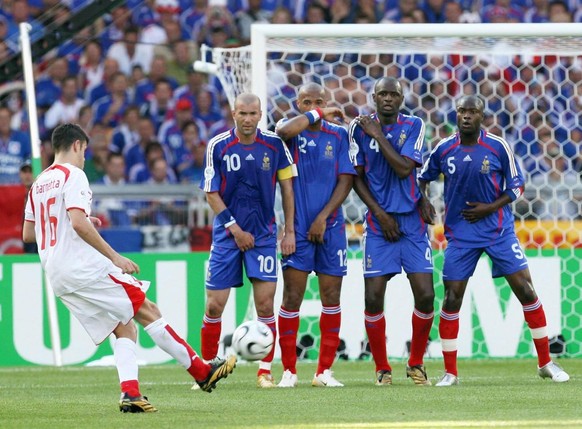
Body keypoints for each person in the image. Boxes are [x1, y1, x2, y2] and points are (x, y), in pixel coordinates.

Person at [23, 123, 236, 412]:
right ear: (76, 146)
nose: (84, 157)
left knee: (124, 327)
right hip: (82, 265)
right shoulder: (74, 175)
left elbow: (28, 234)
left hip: (57, 272)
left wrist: (78, 224)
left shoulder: (39, 182)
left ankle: (131, 394)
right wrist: (114, 257)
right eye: (84, 150)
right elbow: (76, 222)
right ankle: (202, 371)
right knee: (148, 310)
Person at [418, 95, 570, 386]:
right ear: (456, 114)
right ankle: (450, 373)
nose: (465, 116)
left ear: (481, 116)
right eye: (461, 111)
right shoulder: (444, 147)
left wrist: (489, 207)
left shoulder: (498, 146)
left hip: (498, 232)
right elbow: (423, 177)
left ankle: (546, 363)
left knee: (526, 290)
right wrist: (424, 201)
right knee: (452, 298)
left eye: (472, 112)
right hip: (460, 236)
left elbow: (518, 187)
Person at [199, 93, 295, 388]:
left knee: (265, 305)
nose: (248, 119)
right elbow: (210, 192)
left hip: (264, 235)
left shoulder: (275, 145)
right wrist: (235, 229)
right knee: (214, 306)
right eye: (243, 113)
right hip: (228, 236)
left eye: (253, 113)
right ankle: (205, 370)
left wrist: (289, 229)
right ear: (233, 113)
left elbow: (287, 187)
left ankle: (265, 371)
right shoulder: (218, 145)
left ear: (260, 114)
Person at [348, 77, 435, 386]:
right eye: (382, 93)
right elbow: (355, 178)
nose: (387, 98)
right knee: (373, 298)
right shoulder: (357, 128)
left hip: (412, 222)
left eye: (393, 94)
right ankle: (382, 368)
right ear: (374, 96)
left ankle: (415, 363)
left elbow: (404, 168)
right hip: (377, 224)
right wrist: (380, 214)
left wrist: (378, 135)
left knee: (425, 295)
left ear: (401, 98)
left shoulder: (414, 125)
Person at [275, 83, 355, 388]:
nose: (312, 106)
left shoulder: (338, 135)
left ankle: (324, 372)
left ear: (327, 100)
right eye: (306, 102)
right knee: (292, 297)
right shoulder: (289, 133)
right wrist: (319, 113)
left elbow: (346, 178)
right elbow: (283, 132)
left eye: (318, 101)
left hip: (331, 228)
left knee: (331, 298)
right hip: (296, 230)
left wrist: (323, 217)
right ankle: (289, 371)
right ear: (298, 105)